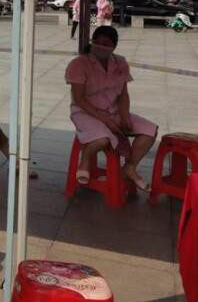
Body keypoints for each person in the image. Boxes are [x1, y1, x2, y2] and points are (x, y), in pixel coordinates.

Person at [66, 26, 157, 191]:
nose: (101, 46)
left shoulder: (120, 62)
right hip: (85, 112)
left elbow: (123, 94)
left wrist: (124, 115)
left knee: (149, 131)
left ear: (114, 46)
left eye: (106, 44)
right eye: (97, 42)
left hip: (114, 111)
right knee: (102, 140)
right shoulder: (79, 64)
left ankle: (129, 167)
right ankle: (85, 160)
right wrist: (105, 119)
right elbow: (79, 99)